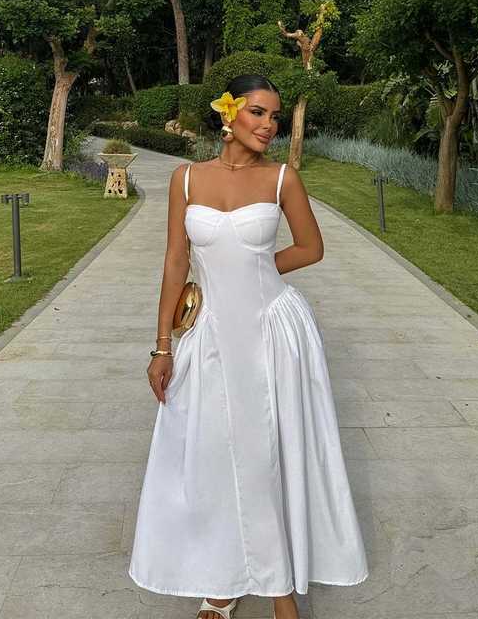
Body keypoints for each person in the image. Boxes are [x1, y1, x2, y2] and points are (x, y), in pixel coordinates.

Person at [127, 74, 368, 619]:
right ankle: (223, 579)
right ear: (228, 114)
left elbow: (311, 248)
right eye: (258, 112)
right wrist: (162, 346)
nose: (268, 125)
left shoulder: (282, 178)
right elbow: (175, 261)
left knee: (265, 457)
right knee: (212, 456)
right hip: (211, 335)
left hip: (270, 331)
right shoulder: (186, 179)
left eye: (274, 117)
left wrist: (256, 267)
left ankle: (281, 592)